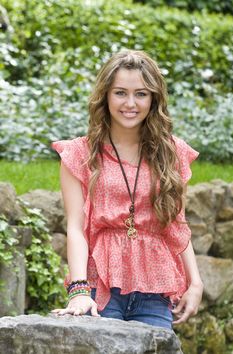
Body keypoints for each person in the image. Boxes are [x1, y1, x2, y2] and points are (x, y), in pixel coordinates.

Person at [51, 50, 203, 330]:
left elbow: (176, 223)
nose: (130, 103)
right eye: (120, 92)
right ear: (105, 95)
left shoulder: (172, 153)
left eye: (141, 94)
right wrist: (79, 290)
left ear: (153, 98)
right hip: (101, 287)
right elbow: (75, 227)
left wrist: (195, 282)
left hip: (155, 289)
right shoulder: (79, 154)